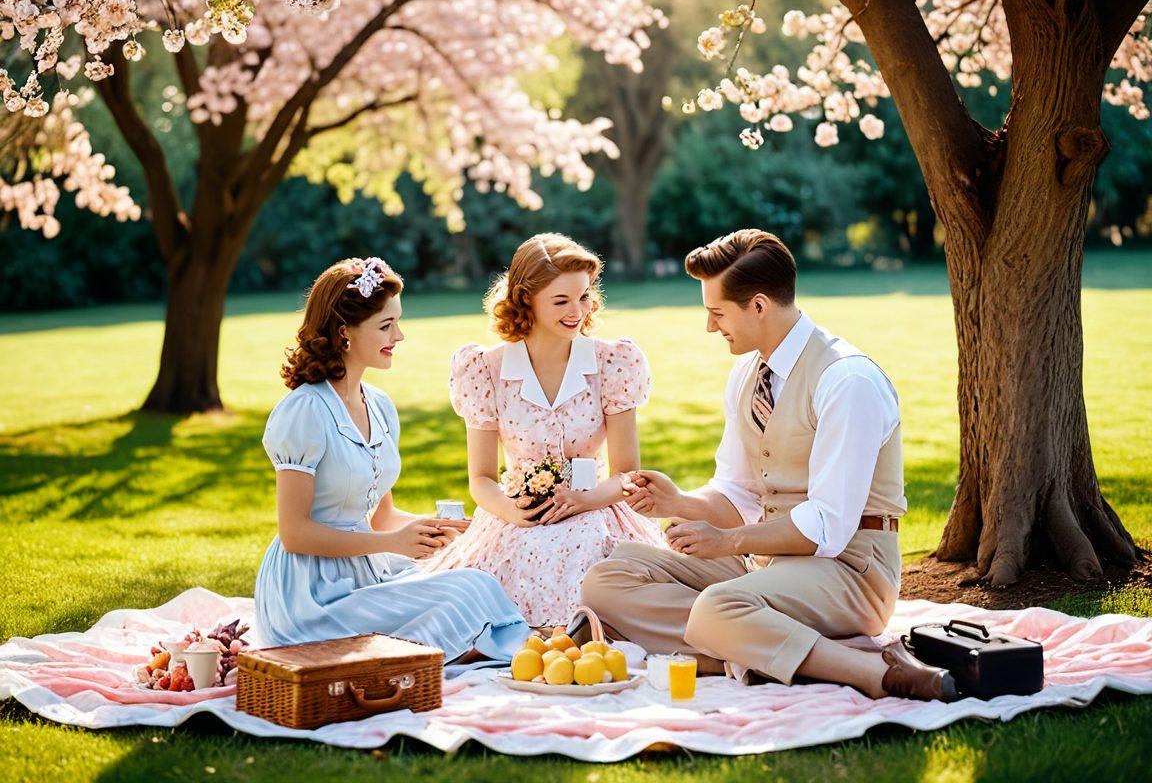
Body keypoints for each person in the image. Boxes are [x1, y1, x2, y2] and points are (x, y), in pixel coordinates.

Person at [581, 229, 959, 701]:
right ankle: (753, 650)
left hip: (851, 572)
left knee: (716, 608)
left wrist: (726, 542)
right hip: (766, 566)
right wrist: (678, 502)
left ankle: (869, 672)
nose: (710, 327)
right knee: (606, 579)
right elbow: (738, 494)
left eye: (717, 313)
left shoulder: (847, 379)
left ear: (758, 305)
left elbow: (827, 527)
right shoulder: (746, 376)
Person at [254, 256, 530, 661]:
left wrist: (435, 529)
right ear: (344, 332)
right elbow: (295, 533)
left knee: (475, 578)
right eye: (386, 325)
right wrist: (391, 543)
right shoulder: (304, 411)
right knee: (468, 589)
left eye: (397, 322)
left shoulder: (380, 407)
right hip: (309, 594)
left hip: (365, 570)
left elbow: (384, 516)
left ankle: (479, 651)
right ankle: (497, 652)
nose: (398, 336)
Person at [420, 233, 665, 627]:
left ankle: (581, 633)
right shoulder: (486, 369)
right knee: (470, 617)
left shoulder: (612, 362)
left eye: (584, 297)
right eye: (561, 300)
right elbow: (481, 479)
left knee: (597, 578)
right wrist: (511, 512)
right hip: (516, 516)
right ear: (525, 300)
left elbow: (628, 474)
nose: (578, 311)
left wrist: (584, 501)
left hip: (596, 508)